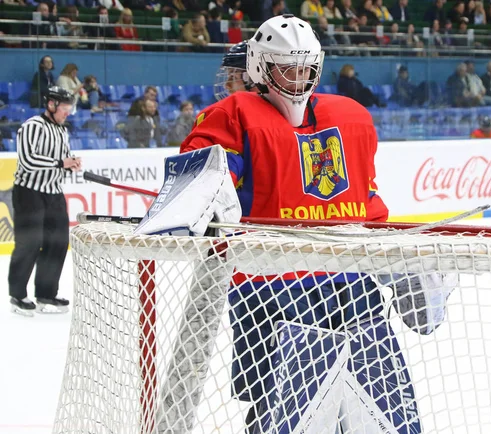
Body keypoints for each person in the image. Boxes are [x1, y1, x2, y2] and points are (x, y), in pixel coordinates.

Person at [179, 14, 455, 432]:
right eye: (288, 69)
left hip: (350, 283)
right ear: (261, 67)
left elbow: (364, 202)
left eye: (306, 69)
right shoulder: (235, 116)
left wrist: (398, 262)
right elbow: (201, 178)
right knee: (284, 412)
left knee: (379, 408)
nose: (298, 80)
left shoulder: (350, 117)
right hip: (271, 288)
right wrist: (205, 192)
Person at [8, 86, 82, 316]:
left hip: (53, 192)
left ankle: (46, 294)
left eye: (70, 108)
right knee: (29, 242)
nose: (68, 112)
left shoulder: (62, 131)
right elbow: (28, 161)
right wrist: (62, 163)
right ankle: (18, 295)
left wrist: (71, 165)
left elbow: (61, 161)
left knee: (58, 242)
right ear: (51, 105)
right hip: (29, 192)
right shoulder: (32, 126)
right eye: (65, 108)